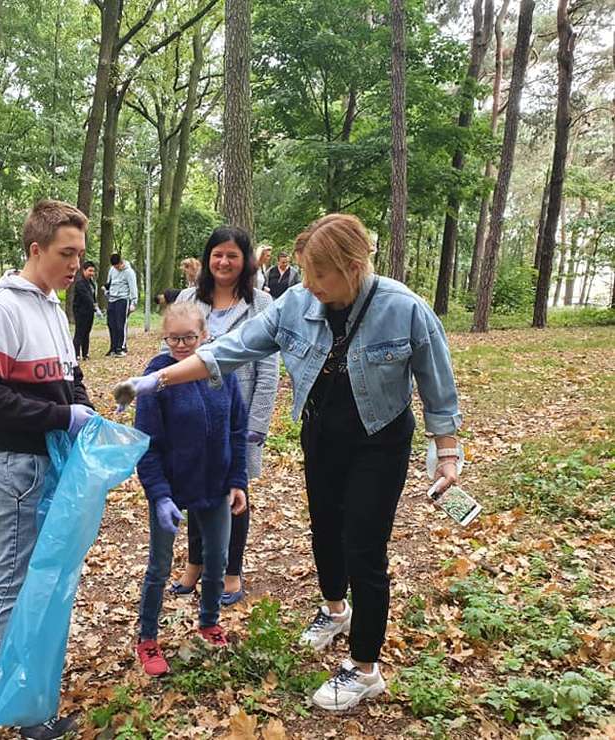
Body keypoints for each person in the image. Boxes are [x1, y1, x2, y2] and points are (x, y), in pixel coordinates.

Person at [114, 214, 463, 712]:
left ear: (354, 265)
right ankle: (335, 610)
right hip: (320, 434)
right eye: (306, 274)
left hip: (379, 440)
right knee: (324, 529)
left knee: (363, 547)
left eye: (320, 276)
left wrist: (446, 452)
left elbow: (437, 383)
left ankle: (365, 668)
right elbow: (229, 351)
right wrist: (157, 381)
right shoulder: (297, 304)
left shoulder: (403, 308)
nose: (310, 286)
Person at [0, 199, 96, 740]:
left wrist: (80, 409)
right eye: (67, 253)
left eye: (81, 255)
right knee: (12, 581)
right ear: (35, 250)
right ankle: (20, 706)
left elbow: (70, 375)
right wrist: (63, 414)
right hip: (13, 468)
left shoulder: (50, 305)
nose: (76, 265)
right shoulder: (2, 308)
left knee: (40, 580)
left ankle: (32, 692)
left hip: (47, 464)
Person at [134, 302, 247, 677]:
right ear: (164, 337)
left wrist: (237, 481)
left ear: (205, 335)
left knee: (217, 558)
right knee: (160, 565)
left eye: (189, 338)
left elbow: (236, 430)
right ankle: (147, 637)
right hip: (171, 486)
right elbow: (146, 443)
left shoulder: (222, 373)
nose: (181, 346)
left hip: (215, 484)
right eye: (174, 339)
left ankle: (209, 622)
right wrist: (159, 493)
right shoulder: (156, 377)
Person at [170, 227, 278, 605]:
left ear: (245, 261)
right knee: (195, 490)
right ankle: (195, 565)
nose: (223, 262)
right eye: (217, 254)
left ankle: (231, 572)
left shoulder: (262, 305)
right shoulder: (188, 298)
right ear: (206, 258)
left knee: (235, 493)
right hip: (192, 417)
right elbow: (171, 352)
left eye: (232, 255)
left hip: (236, 423)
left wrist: (255, 430)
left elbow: (268, 373)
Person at [104, 253, 138, 356]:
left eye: (117, 265)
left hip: (123, 299)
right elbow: (109, 283)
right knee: (111, 324)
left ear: (121, 262)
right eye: (114, 266)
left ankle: (121, 347)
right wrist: (106, 291)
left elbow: (133, 287)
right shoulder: (112, 270)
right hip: (112, 299)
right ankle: (113, 347)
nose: (116, 268)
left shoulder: (129, 272)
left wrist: (133, 302)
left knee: (120, 324)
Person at [72, 260, 98, 360]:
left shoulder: (92, 283)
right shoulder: (80, 283)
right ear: (84, 270)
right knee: (79, 332)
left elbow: (93, 296)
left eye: (93, 271)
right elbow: (86, 296)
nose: (91, 273)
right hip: (80, 312)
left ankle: (85, 353)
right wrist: (94, 304)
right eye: (89, 271)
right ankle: (76, 354)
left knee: (87, 332)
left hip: (90, 312)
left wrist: (95, 306)